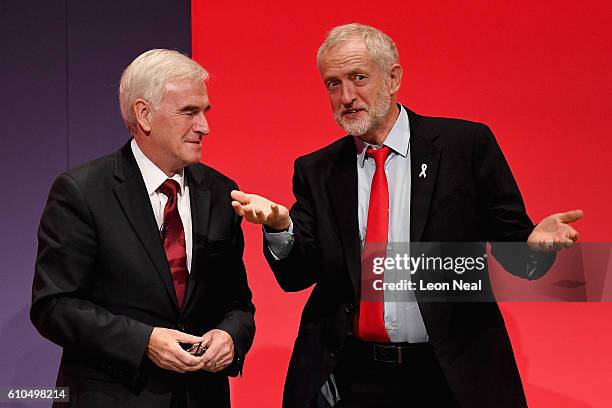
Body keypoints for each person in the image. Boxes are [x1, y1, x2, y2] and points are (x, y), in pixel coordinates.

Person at [230, 24, 582, 407]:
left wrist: (535, 246)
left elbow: (515, 247)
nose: (346, 96)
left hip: (449, 373)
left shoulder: (465, 148)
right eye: (333, 84)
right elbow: (299, 275)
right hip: (355, 375)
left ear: (394, 77)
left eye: (358, 78)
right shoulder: (318, 169)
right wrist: (282, 229)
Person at [31, 49, 255, 408]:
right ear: (144, 114)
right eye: (189, 112)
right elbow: (53, 306)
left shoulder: (219, 191)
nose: (204, 126)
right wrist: (143, 341)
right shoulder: (82, 192)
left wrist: (230, 336)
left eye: (204, 112)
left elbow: (239, 304)